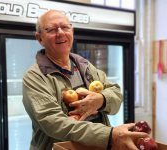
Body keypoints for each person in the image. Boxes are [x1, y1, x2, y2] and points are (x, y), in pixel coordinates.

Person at [22, 9, 148, 150]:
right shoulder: (35, 77)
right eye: (51, 29)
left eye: (65, 27)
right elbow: (53, 123)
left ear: (72, 31)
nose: (61, 33)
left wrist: (101, 100)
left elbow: (116, 93)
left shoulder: (84, 66)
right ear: (40, 38)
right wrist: (110, 135)